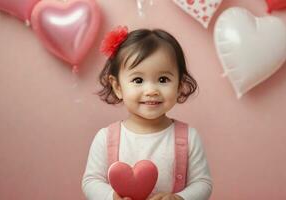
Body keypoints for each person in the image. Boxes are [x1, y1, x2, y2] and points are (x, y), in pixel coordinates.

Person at [82, 26, 212, 200]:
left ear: (180, 85)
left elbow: (203, 183)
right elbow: (91, 181)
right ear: (118, 87)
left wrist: (180, 198)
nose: (151, 90)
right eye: (138, 80)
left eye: (163, 79)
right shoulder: (106, 138)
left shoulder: (188, 137)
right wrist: (110, 197)